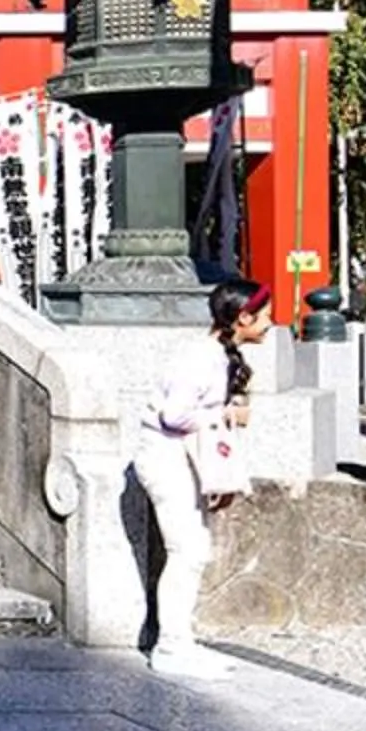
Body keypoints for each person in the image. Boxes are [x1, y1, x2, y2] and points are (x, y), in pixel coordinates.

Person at [134, 277, 271, 680]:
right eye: (263, 315)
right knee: (187, 551)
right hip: (166, 458)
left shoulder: (217, 355)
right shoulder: (201, 357)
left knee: (194, 551)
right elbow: (174, 417)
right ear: (243, 317)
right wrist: (226, 415)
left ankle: (181, 640)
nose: (270, 322)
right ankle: (170, 646)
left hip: (187, 460)